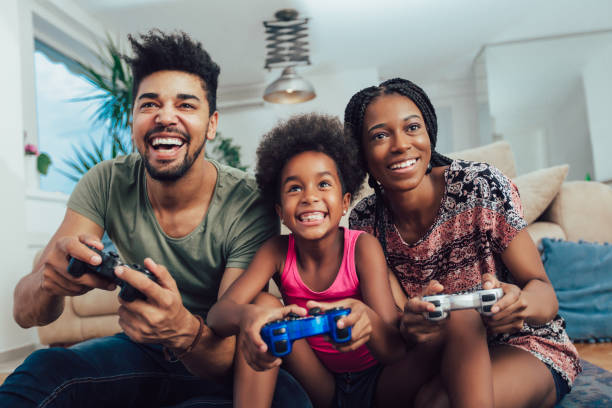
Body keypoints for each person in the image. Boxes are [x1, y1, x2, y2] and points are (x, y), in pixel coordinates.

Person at [0, 30, 310, 408]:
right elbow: (23, 312)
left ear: (211, 124)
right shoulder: (106, 181)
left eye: (185, 105)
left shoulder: (248, 201)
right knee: (44, 369)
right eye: (149, 105)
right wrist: (51, 282)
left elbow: (229, 350)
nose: (165, 117)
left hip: (220, 358)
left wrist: (181, 329)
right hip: (141, 350)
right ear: (132, 121)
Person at [344, 77, 582, 407]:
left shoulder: (479, 185)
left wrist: (519, 304)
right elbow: (395, 328)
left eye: (412, 127)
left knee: (438, 402)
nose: (400, 144)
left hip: (521, 344)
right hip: (436, 352)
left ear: (429, 134)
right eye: (380, 135)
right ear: (362, 153)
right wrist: (409, 325)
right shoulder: (366, 221)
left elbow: (544, 292)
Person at [207, 113, 429, 408]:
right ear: (280, 211)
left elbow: (393, 350)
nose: (309, 197)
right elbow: (217, 316)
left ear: (345, 202)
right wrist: (248, 318)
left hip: (379, 382)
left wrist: (364, 316)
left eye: (323, 184)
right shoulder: (275, 251)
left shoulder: (363, 247)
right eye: (295, 188)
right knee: (263, 307)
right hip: (320, 385)